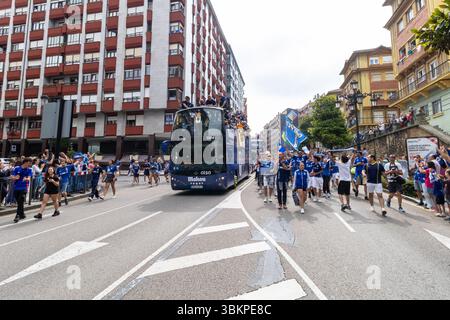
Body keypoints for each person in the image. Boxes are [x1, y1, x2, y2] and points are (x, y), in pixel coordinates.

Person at [11, 158, 33, 223]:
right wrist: (15, 177)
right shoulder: (17, 168)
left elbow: (29, 178)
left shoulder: (29, 170)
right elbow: (12, 176)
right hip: (16, 187)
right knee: (19, 202)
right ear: (26, 162)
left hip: (24, 188)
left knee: (20, 200)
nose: (30, 164)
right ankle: (22, 214)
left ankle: (17, 215)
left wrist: (26, 178)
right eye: (29, 163)